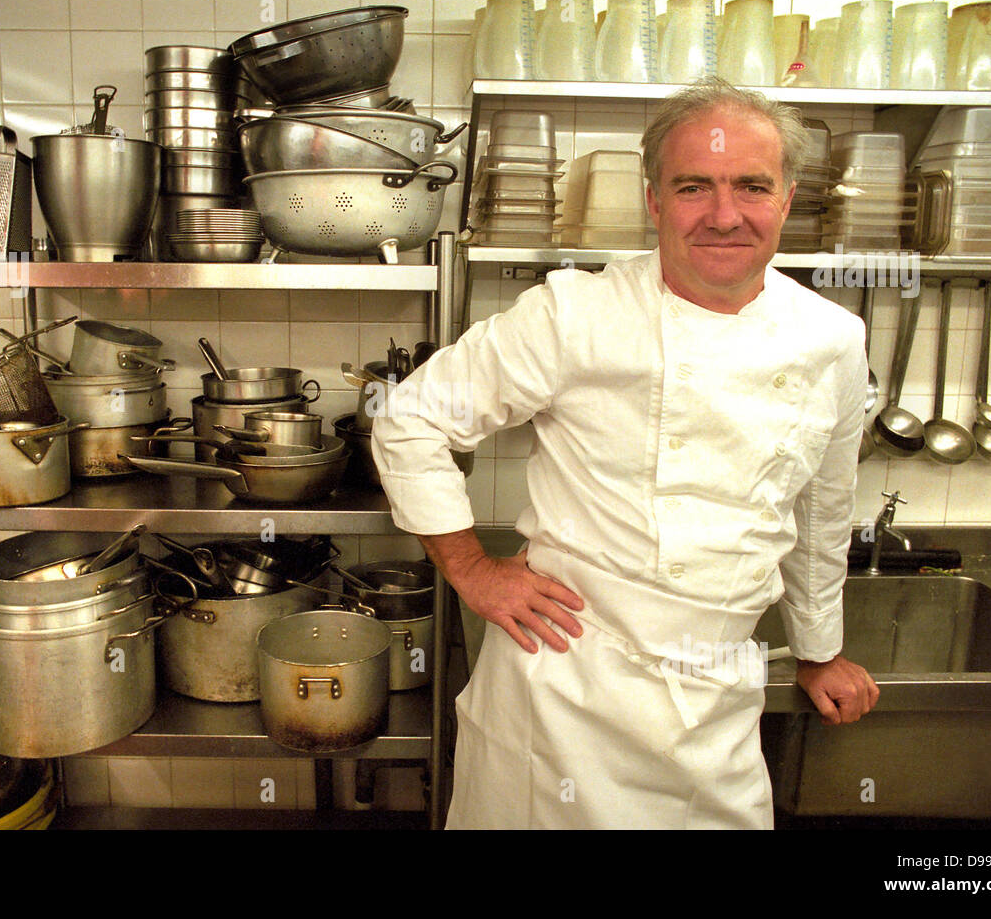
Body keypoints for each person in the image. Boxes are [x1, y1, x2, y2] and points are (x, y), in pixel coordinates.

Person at [370, 77, 880, 829]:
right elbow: (408, 416)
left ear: (787, 197)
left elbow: (821, 506)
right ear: (654, 201)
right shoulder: (576, 314)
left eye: (751, 186)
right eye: (693, 187)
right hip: (564, 697)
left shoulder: (832, 339)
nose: (724, 214)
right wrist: (472, 570)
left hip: (716, 706)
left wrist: (819, 650)